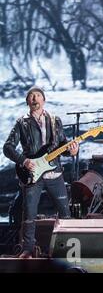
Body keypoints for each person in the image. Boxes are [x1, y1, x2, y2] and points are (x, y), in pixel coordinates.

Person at [3, 86, 78, 258]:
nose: (35, 98)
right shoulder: (21, 123)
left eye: (38, 95)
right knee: (29, 212)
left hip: (54, 173)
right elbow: (7, 147)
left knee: (65, 212)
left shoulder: (55, 120)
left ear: (44, 100)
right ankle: (28, 249)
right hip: (32, 173)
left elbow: (62, 146)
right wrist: (24, 161)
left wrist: (72, 151)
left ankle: (68, 249)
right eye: (31, 96)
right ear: (27, 102)